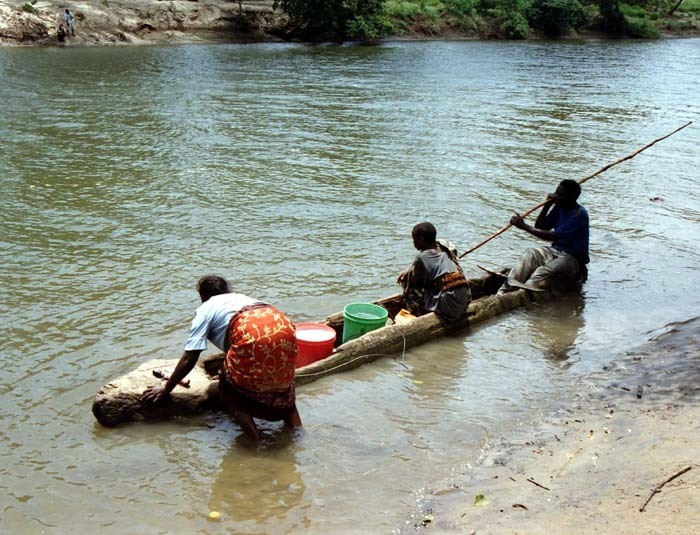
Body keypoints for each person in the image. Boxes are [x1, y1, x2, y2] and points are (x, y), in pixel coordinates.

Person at [142, 275, 301, 443]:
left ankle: (256, 442)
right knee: (283, 383)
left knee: (227, 384)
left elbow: (190, 357)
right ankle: (298, 433)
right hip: (283, 326)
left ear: (203, 297)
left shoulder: (206, 308)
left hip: (251, 333)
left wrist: (166, 389)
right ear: (227, 290)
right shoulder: (242, 298)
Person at [502, 179, 589, 292]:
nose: (555, 196)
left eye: (560, 195)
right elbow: (541, 227)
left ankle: (524, 292)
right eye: (556, 192)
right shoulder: (559, 207)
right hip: (555, 250)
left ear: (570, 199)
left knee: (542, 271)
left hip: (572, 258)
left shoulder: (579, 214)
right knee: (530, 254)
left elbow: (553, 236)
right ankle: (506, 288)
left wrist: (524, 226)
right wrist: (546, 206)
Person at [397, 222, 471, 324]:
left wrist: (410, 273)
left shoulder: (421, 257)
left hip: (450, 308)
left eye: (414, 240)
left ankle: (418, 315)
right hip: (465, 298)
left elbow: (415, 282)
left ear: (421, 239)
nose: (413, 243)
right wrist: (411, 269)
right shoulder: (445, 248)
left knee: (408, 283)